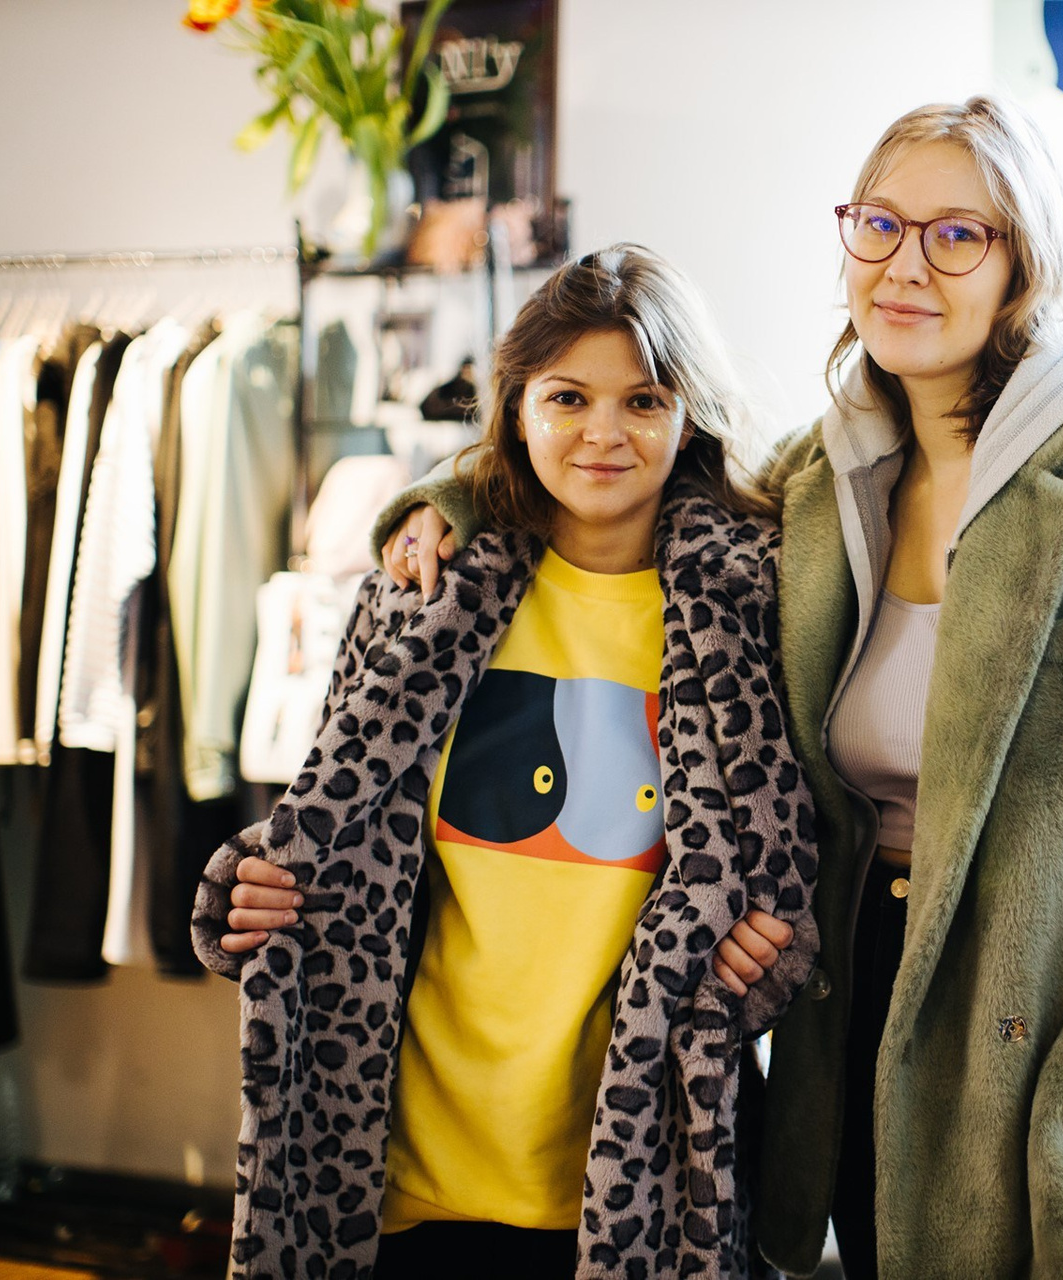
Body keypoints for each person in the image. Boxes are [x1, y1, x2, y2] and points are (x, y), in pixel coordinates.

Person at [381, 96, 1063, 1278]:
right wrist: (446, 498)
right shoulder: (817, 478)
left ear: (1026, 265)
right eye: (880, 224)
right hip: (849, 1028)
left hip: (1058, 1042)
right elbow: (618, 466)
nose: (905, 264)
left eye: (958, 235)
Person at [189, 244, 819, 1279]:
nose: (603, 432)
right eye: (568, 397)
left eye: (644, 400)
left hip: (636, 1181)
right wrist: (255, 895)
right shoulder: (420, 594)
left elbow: (793, 848)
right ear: (517, 407)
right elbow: (328, 834)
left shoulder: (754, 614)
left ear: (690, 417)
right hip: (399, 1170)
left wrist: (771, 946)